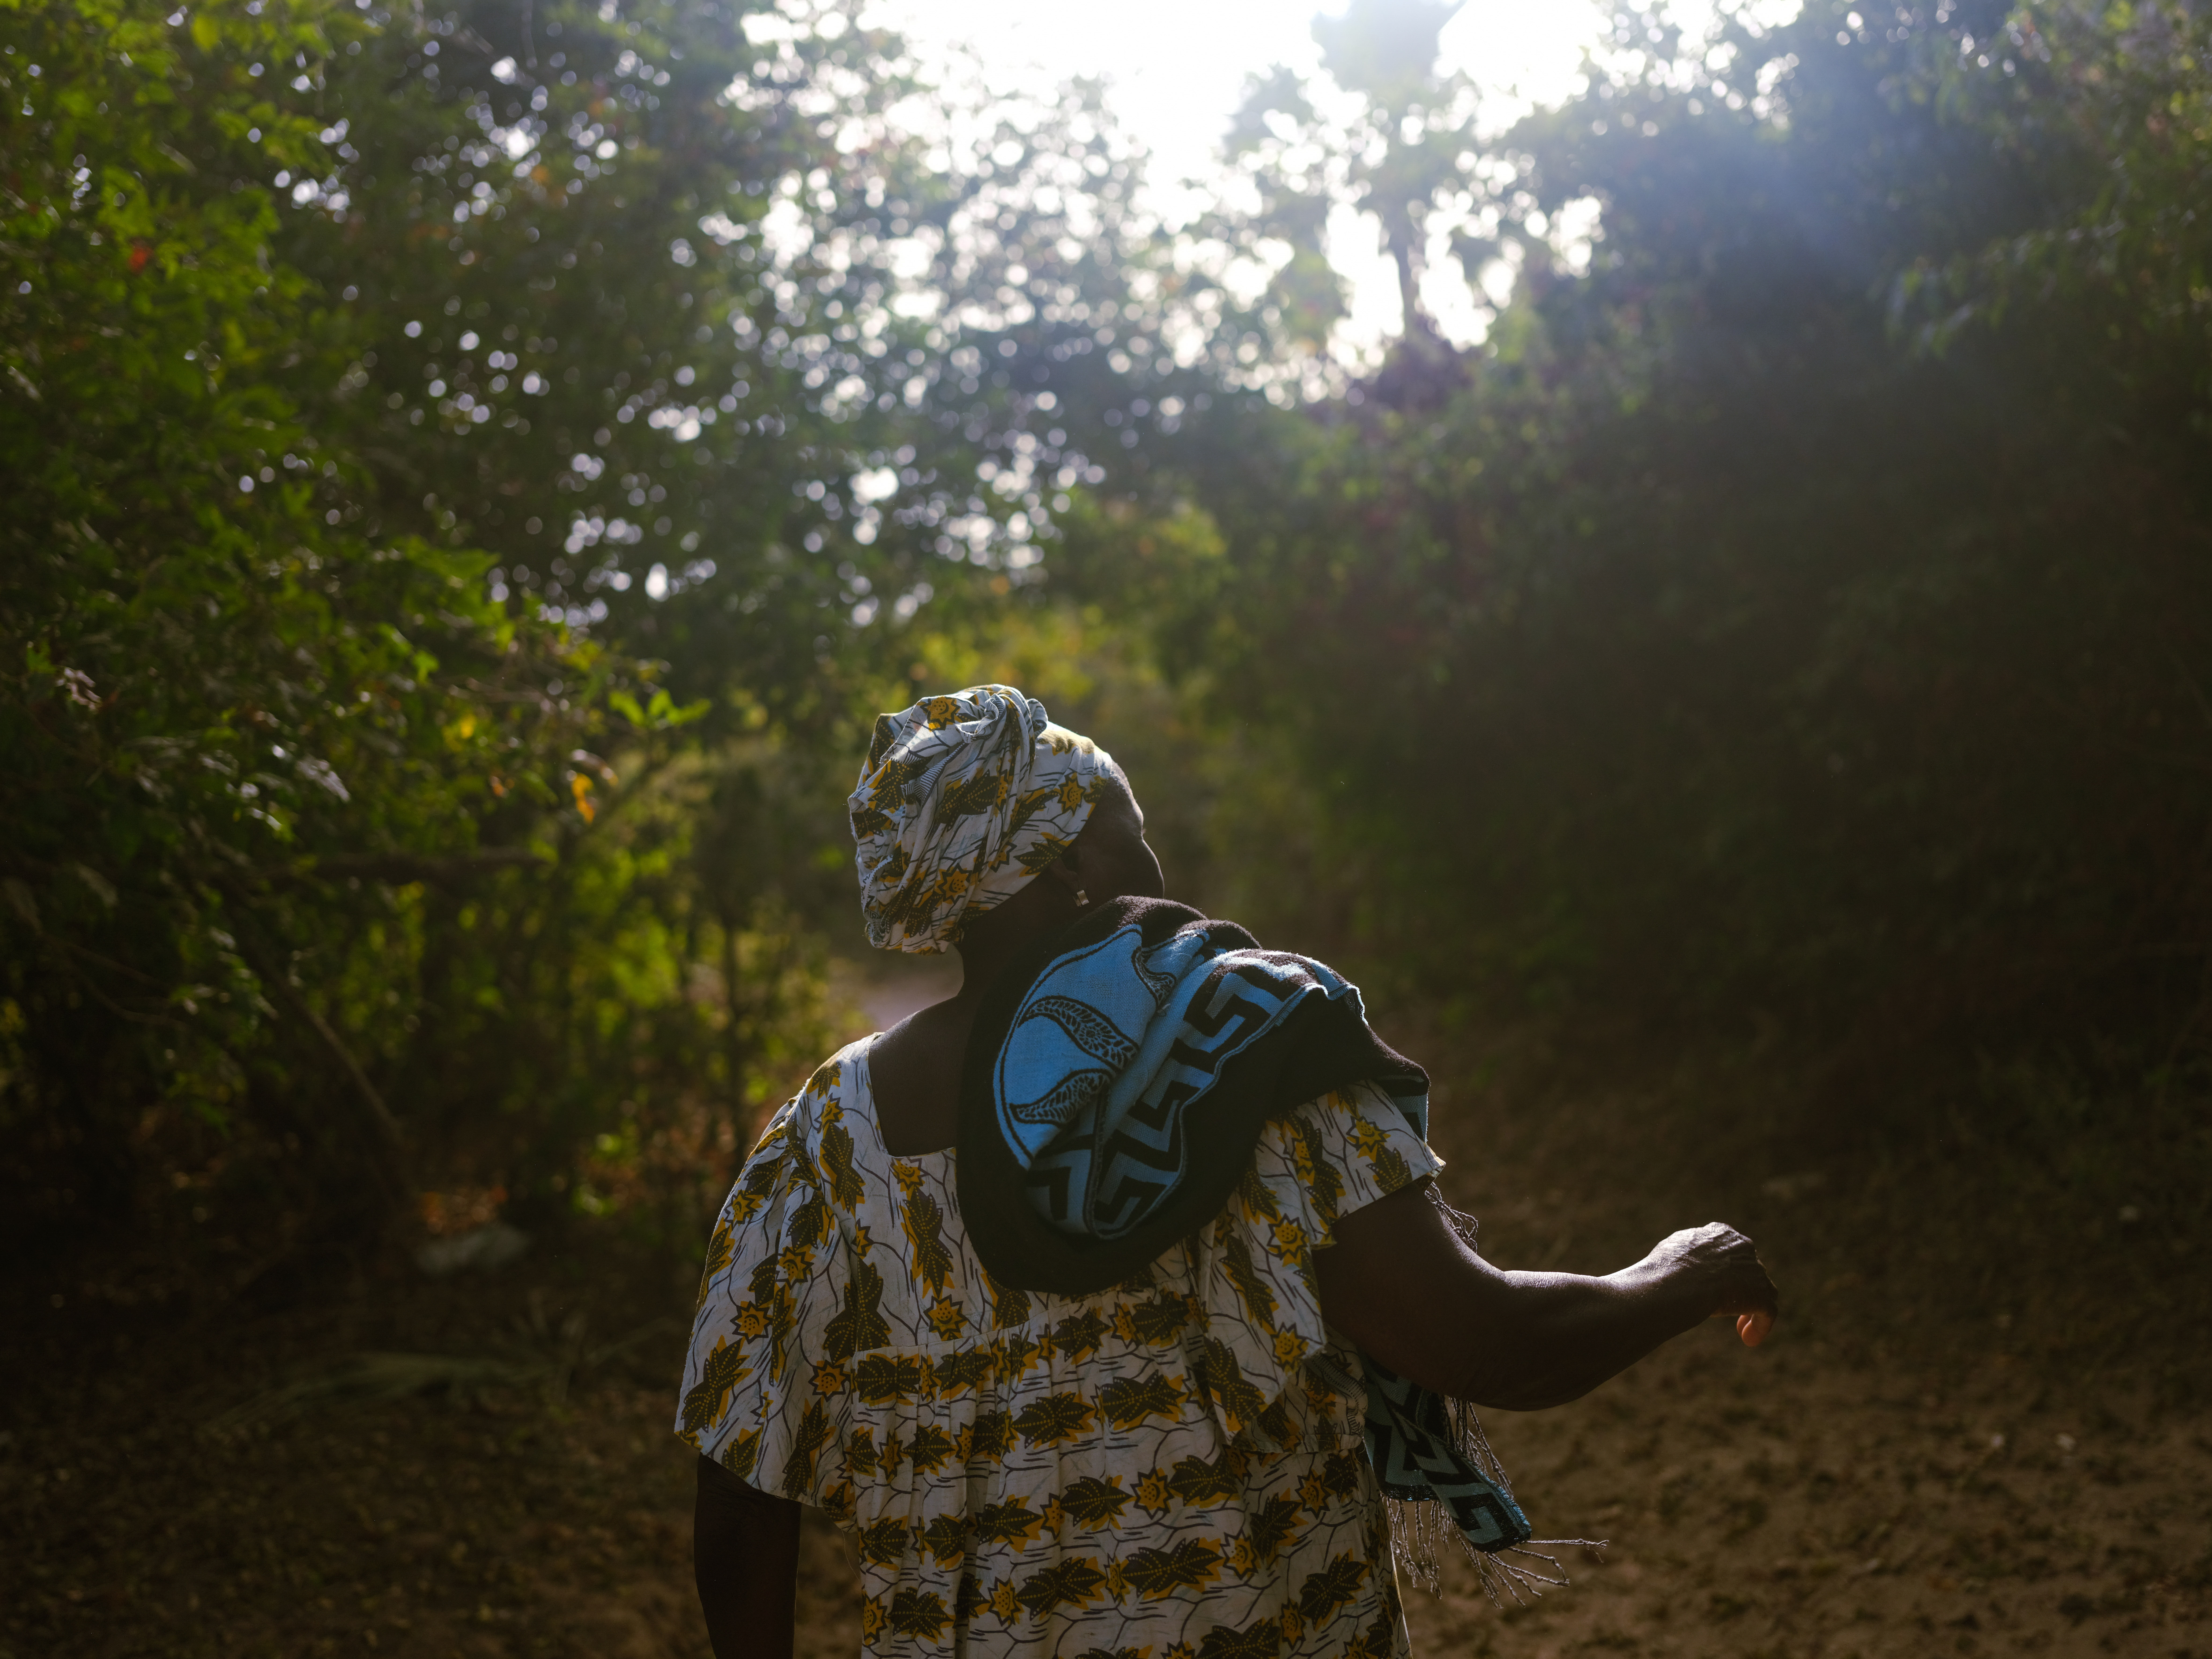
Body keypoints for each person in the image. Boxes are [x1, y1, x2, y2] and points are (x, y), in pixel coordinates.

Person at [678, 685, 1778, 1659]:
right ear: (1068, 856)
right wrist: (1680, 1270)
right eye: (1134, 833)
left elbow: (736, 1504)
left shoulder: (823, 1135)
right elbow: (1482, 1340)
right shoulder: (1254, 1036)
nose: (1161, 870)